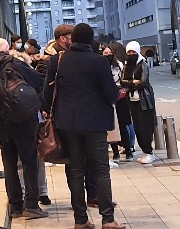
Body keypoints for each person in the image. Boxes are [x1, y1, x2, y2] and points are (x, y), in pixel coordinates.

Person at [45, 24, 125, 229]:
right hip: (95, 124)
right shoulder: (99, 61)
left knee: (75, 170)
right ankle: (108, 219)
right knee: (101, 169)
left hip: (68, 123)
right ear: (90, 40)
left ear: (72, 39)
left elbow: (47, 92)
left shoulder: (58, 60)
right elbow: (111, 94)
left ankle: (80, 220)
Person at [0, 38, 48, 219]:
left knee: (9, 162)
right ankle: (31, 205)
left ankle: (15, 205)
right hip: (22, 118)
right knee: (29, 160)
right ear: (7, 48)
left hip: (0, 120)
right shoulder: (14, 63)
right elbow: (37, 80)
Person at [121, 41, 157, 164]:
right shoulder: (126, 65)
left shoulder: (143, 64)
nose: (131, 54)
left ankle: (149, 152)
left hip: (144, 100)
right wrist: (132, 82)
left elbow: (144, 82)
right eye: (129, 52)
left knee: (145, 126)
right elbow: (122, 82)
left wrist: (129, 84)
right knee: (137, 127)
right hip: (132, 100)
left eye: (133, 52)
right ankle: (145, 151)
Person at [103, 43, 133, 162]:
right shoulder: (101, 66)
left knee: (123, 125)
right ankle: (115, 152)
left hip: (121, 98)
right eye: (105, 53)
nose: (108, 55)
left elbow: (126, 80)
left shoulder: (120, 66)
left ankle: (128, 150)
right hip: (107, 99)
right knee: (111, 127)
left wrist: (123, 88)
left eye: (110, 53)